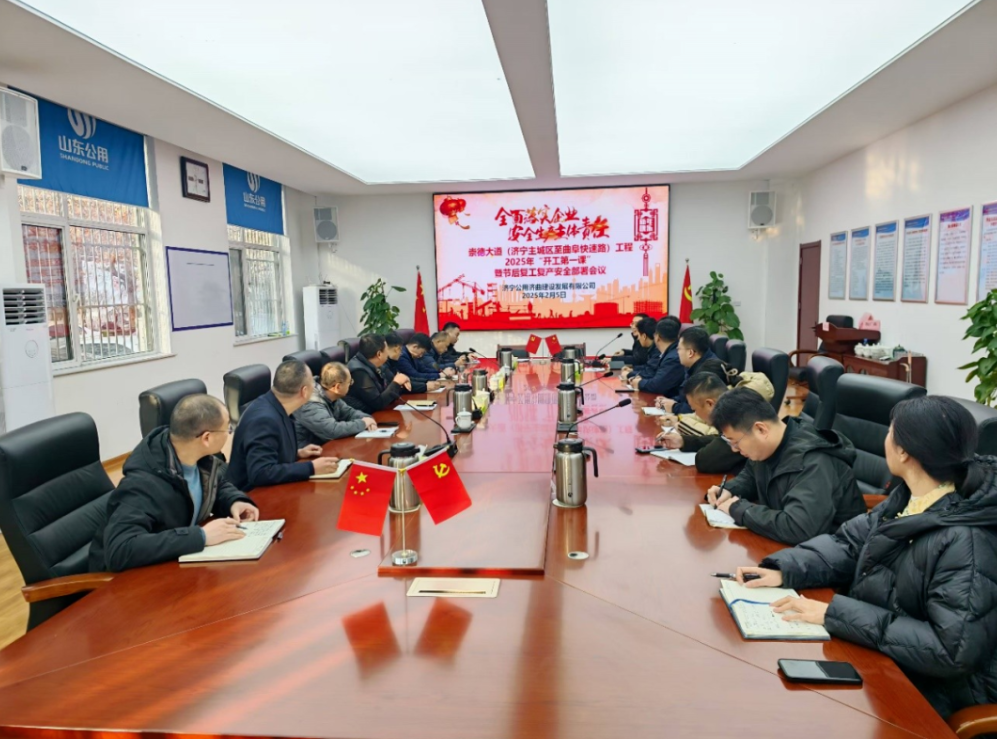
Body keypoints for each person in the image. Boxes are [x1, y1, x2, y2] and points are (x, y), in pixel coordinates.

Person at [735, 396, 997, 721]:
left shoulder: (967, 540)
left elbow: (949, 650)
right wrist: (784, 569)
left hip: (932, 692)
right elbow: (847, 544)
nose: (885, 439)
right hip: (884, 657)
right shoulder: (908, 499)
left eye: (890, 432)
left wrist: (835, 613)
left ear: (904, 452)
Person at [90, 394, 259, 572]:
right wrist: (200, 536)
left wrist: (234, 501)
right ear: (206, 438)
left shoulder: (198, 456)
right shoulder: (141, 485)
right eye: (227, 428)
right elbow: (120, 549)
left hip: (173, 561)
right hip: (127, 579)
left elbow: (216, 484)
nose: (229, 432)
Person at [706, 387, 865, 545]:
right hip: (788, 546)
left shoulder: (813, 461)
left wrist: (741, 509)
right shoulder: (770, 445)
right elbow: (751, 476)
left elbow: (799, 528)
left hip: (836, 551)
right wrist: (730, 489)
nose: (734, 449)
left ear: (761, 429)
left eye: (736, 442)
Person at [227, 359, 341, 491]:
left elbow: (267, 450)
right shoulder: (264, 420)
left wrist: (297, 453)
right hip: (251, 495)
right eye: (313, 383)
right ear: (304, 391)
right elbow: (261, 472)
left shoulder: (276, 403)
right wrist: (311, 467)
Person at [656, 372, 745, 475]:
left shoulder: (736, 423)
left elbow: (704, 461)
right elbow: (718, 439)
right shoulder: (736, 406)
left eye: (695, 409)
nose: (696, 415)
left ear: (709, 404)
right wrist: (683, 441)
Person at [294, 362, 377, 446]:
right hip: (309, 450)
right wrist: (363, 423)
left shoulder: (331, 395)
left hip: (326, 445)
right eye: (350, 382)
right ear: (338, 387)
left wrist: (367, 419)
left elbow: (349, 413)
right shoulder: (311, 404)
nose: (351, 385)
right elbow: (332, 431)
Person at [344, 334, 411, 414]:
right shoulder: (359, 372)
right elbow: (378, 403)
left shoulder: (375, 363)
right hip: (364, 416)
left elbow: (389, 384)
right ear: (379, 354)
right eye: (387, 349)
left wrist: (400, 382)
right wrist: (396, 383)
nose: (388, 353)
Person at [658, 326, 717, 413]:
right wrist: (669, 401)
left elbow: (697, 410)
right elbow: (685, 397)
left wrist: (674, 407)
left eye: (679, 349)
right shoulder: (694, 365)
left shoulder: (707, 374)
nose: (677, 353)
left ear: (690, 353)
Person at [627, 316, 684, 396]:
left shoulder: (672, 358)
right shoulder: (669, 353)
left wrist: (639, 383)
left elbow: (657, 385)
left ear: (657, 337)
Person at [620, 316, 660, 383]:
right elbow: (648, 366)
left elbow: (650, 373)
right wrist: (633, 369)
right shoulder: (652, 348)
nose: (638, 338)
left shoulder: (657, 350)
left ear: (644, 336)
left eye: (638, 335)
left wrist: (629, 374)